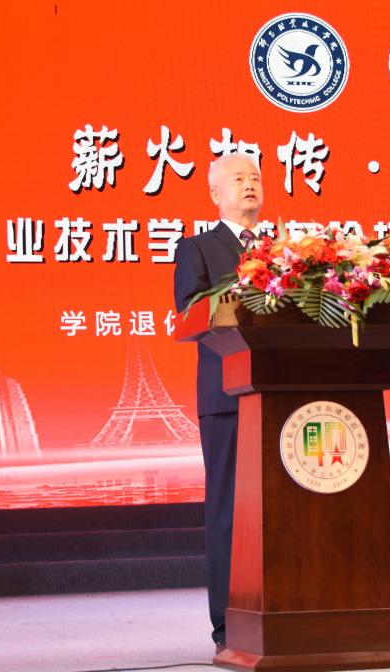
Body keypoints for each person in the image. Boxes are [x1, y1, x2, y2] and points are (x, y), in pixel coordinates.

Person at [172, 153, 263, 652]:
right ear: (215, 194)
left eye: (256, 177)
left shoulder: (285, 251)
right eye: (239, 178)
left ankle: (281, 612)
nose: (250, 185)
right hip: (227, 396)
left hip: (280, 396)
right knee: (229, 512)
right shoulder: (197, 248)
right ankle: (229, 625)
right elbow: (190, 310)